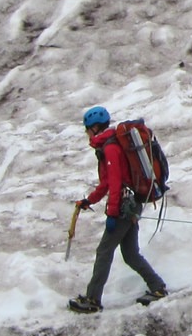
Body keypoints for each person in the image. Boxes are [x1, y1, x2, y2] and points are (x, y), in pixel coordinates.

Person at [68, 106, 168, 313]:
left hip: (124, 207)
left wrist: (113, 213)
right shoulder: (110, 145)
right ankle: (157, 287)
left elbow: (114, 183)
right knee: (130, 253)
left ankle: (93, 299)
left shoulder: (110, 149)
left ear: (95, 128)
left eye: (87, 129)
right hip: (131, 204)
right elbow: (106, 183)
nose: (87, 133)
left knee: (104, 251)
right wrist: (89, 200)